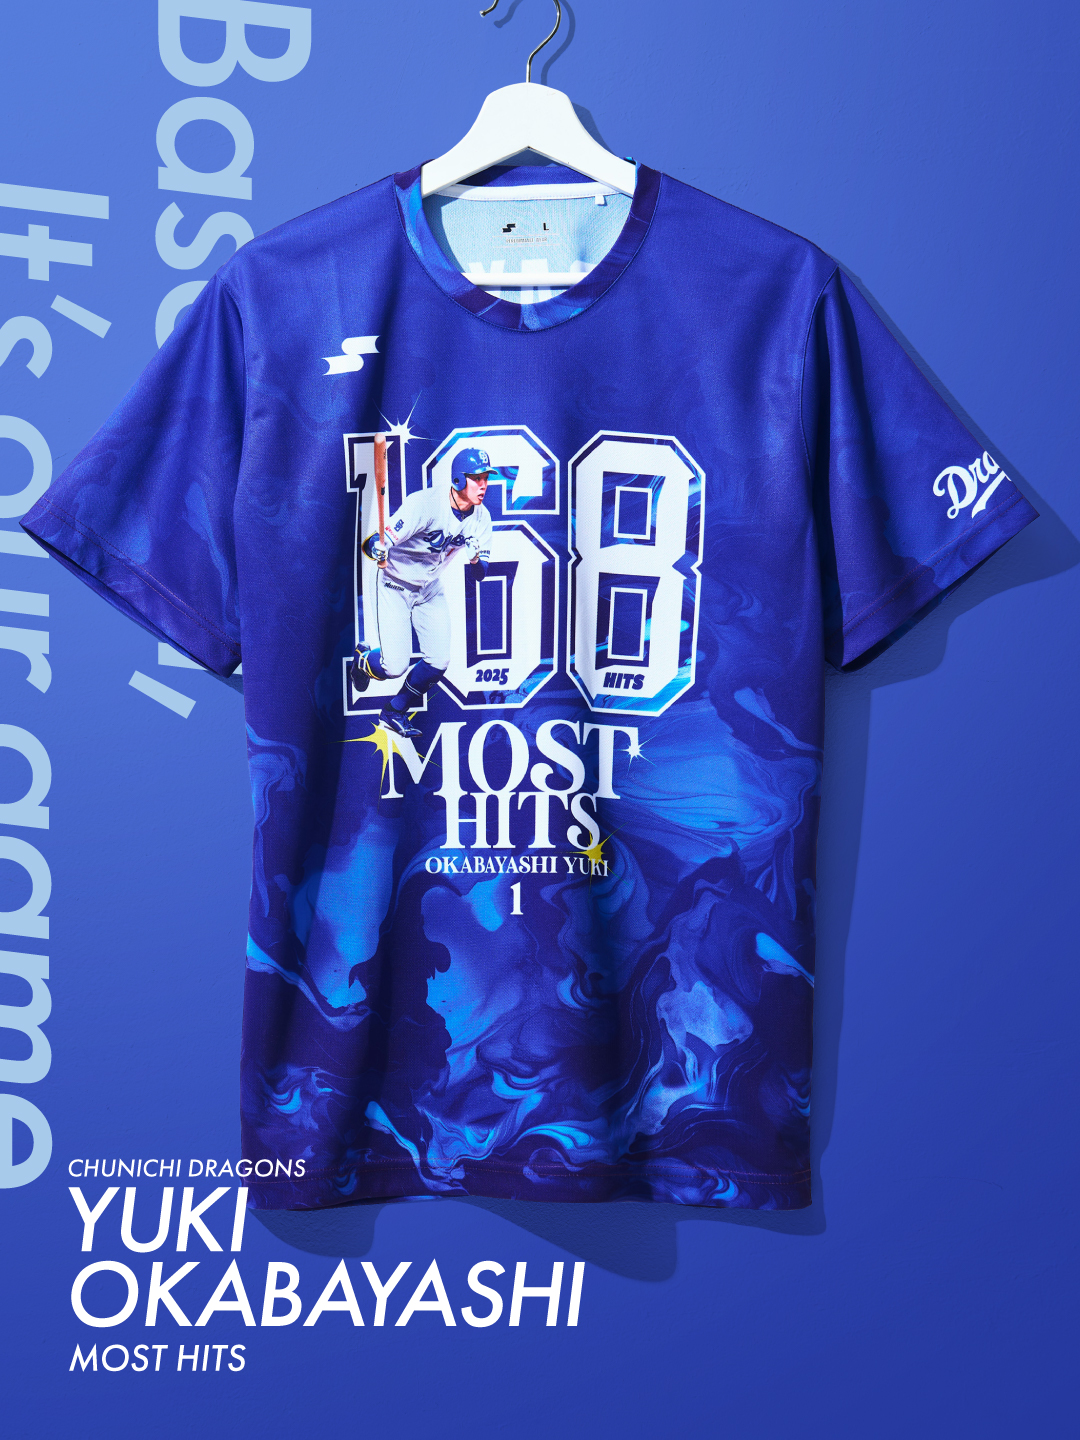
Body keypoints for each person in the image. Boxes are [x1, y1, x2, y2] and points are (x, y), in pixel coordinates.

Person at [349, 447, 494, 736]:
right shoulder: (425, 504)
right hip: (395, 583)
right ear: (458, 479)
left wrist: (476, 559)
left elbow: (480, 575)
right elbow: (373, 543)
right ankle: (363, 660)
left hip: (429, 588)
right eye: (476, 478)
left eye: (485, 478)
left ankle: (394, 711)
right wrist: (378, 548)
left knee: (438, 661)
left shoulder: (482, 518)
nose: (483, 485)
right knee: (394, 667)